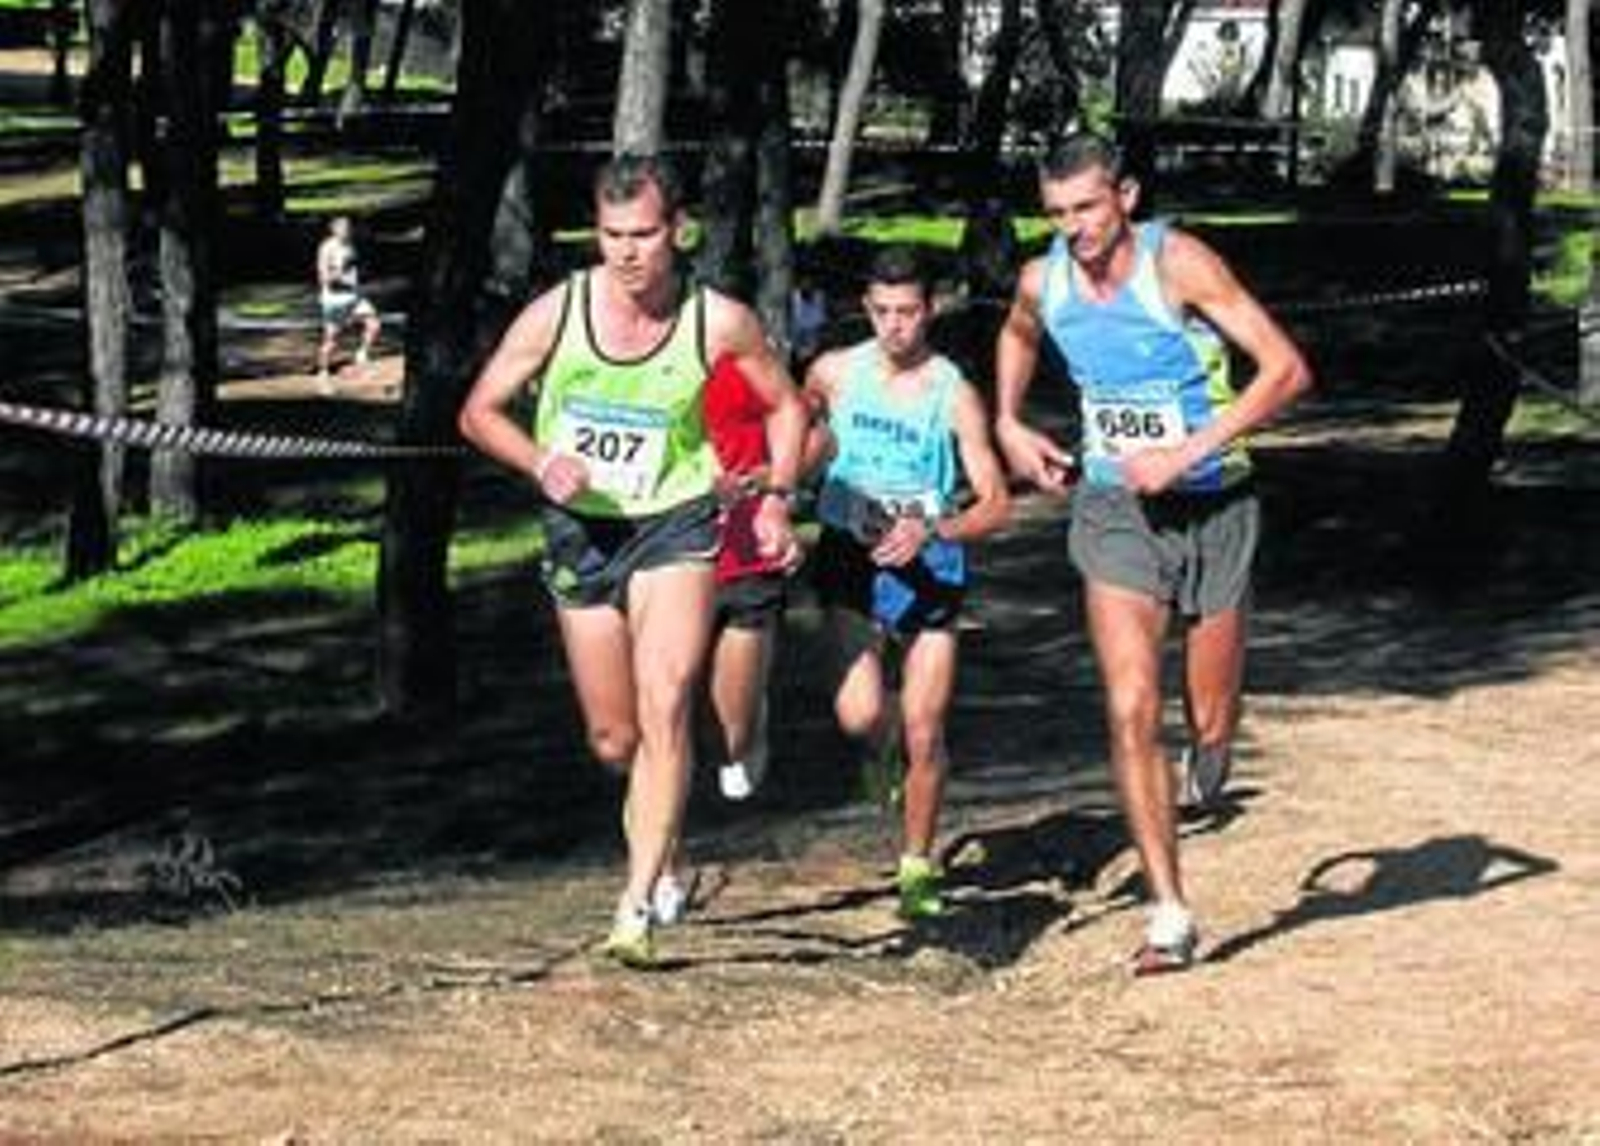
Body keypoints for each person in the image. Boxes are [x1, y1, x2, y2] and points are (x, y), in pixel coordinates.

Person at [457, 154, 807, 968]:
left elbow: (784, 405)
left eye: (644, 234)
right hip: (583, 533)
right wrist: (541, 460)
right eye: (612, 234)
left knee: (668, 700)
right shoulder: (560, 312)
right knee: (617, 740)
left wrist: (778, 496)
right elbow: (478, 411)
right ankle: (672, 849)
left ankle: (636, 903)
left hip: (677, 524)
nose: (627, 252)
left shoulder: (717, 320)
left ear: (676, 229)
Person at [993, 131, 1312, 974]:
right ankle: (1170, 911)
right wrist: (1007, 421)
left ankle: (1213, 744)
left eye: (1088, 208)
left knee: (1207, 716)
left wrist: (1187, 450)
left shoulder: (1181, 266)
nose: (1075, 229)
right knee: (1131, 704)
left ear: (1125, 196)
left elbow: (1286, 370)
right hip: (1115, 506)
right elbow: (1020, 332)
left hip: (1216, 503)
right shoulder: (1044, 280)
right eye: (1058, 214)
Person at [804, 244, 1011, 921]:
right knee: (862, 714)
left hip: (929, 561)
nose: (896, 326)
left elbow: (995, 501)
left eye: (909, 312)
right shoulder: (833, 372)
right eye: (883, 312)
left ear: (931, 310)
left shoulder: (954, 392)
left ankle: (917, 865)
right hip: (849, 556)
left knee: (926, 727)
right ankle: (883, 752)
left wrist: (934, 531)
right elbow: (793, 437)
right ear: (866, 308)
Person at [702, 352, 791, 804]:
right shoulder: (627, 364)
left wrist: (770, 480)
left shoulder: (746, 363)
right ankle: (663, 869)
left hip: (743, 553)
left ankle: (751, 719)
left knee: (730, 741)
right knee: (657, 722)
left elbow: (819, 439)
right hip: (659, 558)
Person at [315, 215, 381, 394]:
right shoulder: (326, 248)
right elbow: (324, 279)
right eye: (343, 228)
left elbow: (355, 271)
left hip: (354, 296)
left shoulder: (350, 245)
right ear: (334, 229)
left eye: (349, 227)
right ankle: (323, 371)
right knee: (331, 340)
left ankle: (361, 354)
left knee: (374, 324)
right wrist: (340, 271)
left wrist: (356, 273)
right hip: (335, 300)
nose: (347, 230)